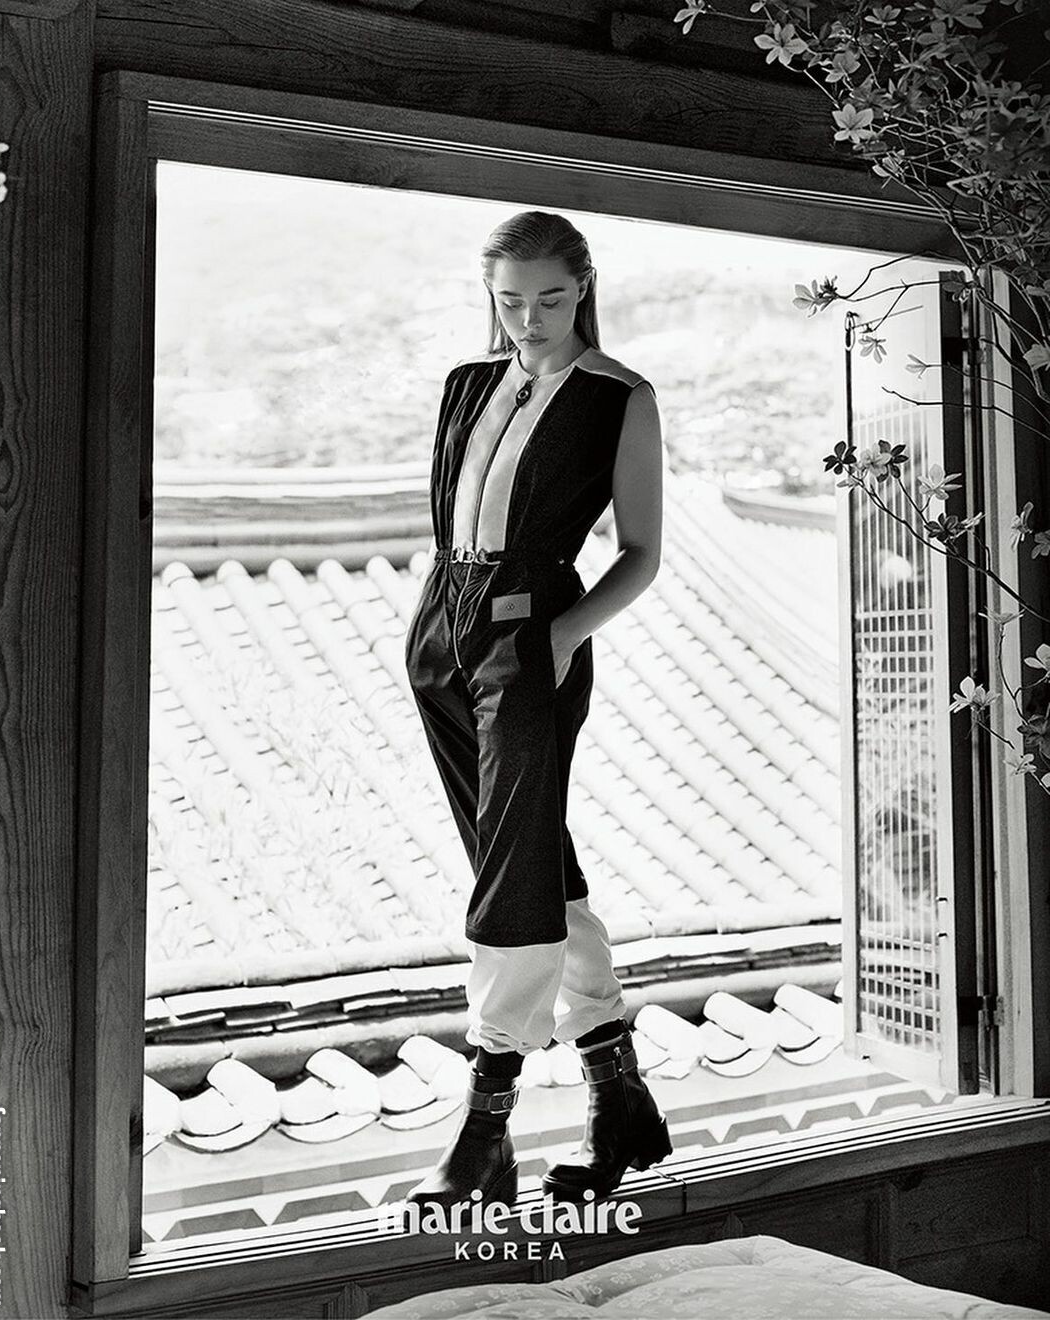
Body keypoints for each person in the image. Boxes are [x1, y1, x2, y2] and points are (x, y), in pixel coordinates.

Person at [402, 210, 670, 1209]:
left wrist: (561, 638)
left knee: (512, 872)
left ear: (584, 286)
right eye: (510, 300)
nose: (530, 319)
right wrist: (434, 628)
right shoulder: (465, 385)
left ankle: (486, 1125)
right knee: (524, 858)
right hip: (443, 623)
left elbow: (640, 553)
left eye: (551, 298)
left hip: (533, 632)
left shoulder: (619, 396)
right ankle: (620, 1095)